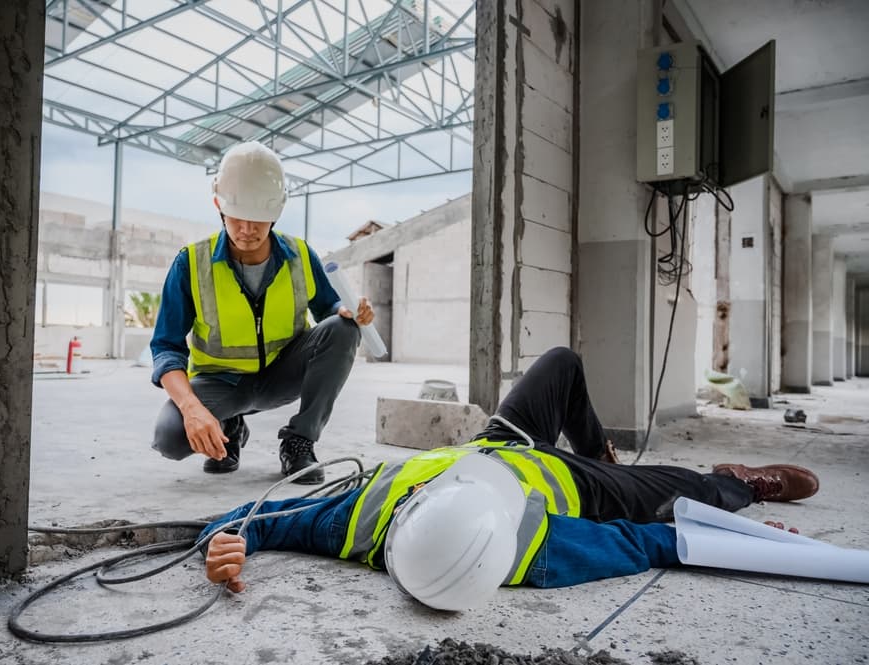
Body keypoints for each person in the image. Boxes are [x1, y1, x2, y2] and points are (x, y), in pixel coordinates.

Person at [201, 347, 820, 609]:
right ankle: (740, 482)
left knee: (561, 363)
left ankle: (602, 452)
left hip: (502, 442)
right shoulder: (535, 552)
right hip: (578, 484)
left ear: (411, 510)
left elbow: (257, 519)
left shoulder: (355, 519)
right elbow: (649, 542)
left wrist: (228, 543)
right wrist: (746, 538)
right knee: (690, 490)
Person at [150, 142, 375, 484]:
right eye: (237, 218)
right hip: (222, 383)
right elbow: (166, 346)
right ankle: (230, 427)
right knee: (170, 437)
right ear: (219, 206)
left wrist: (349, 310)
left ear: (276, 212)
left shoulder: (300, 255)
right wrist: (192, 409)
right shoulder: (191, 263)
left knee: (344, 329)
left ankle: (299, 441)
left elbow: (330, 310)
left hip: (282, 376)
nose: (246, 230)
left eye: (257, 220)